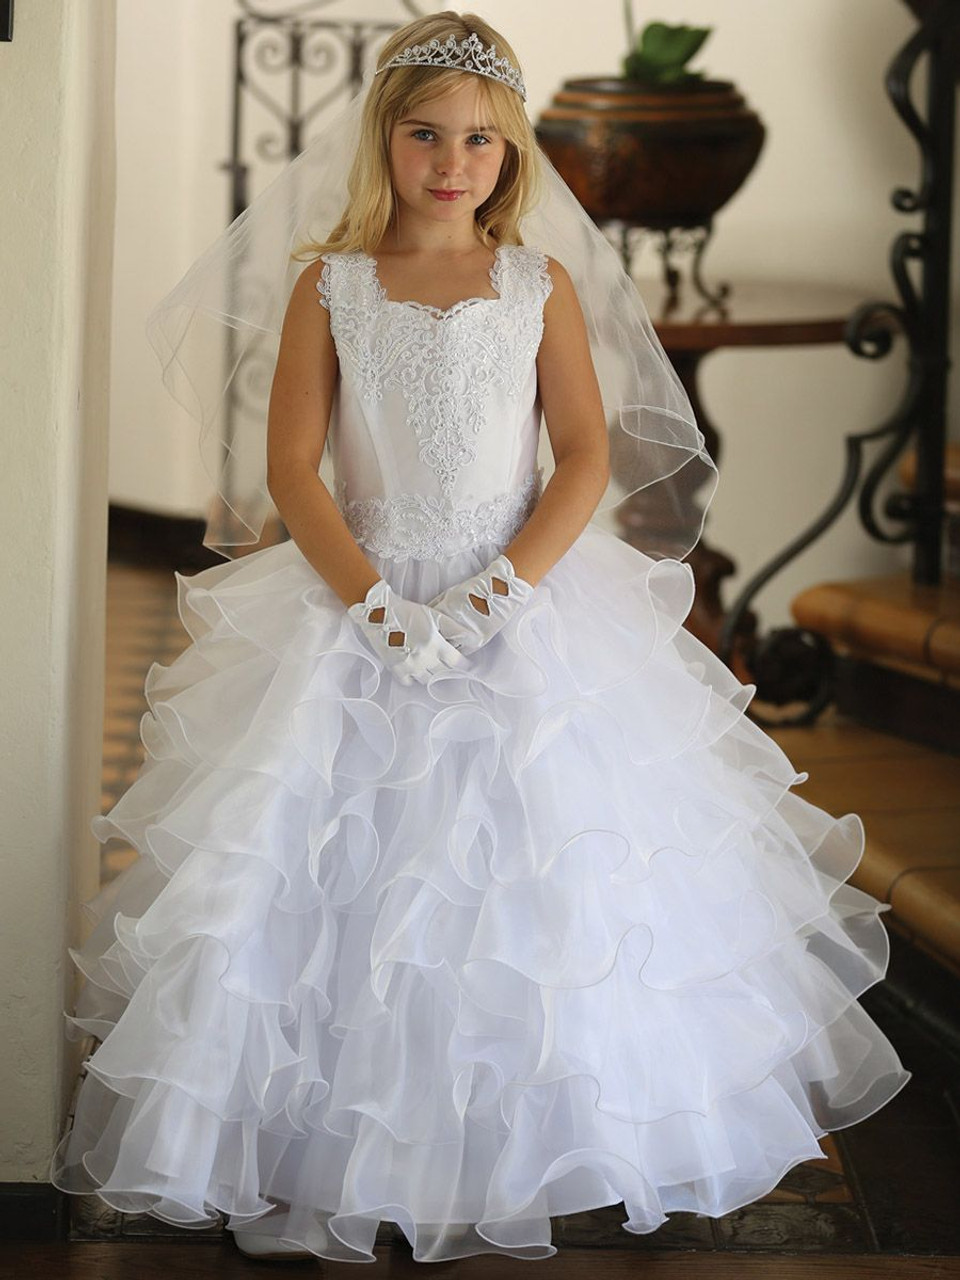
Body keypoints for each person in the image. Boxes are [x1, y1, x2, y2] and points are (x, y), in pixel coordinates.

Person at [51, 9, 912, 1266]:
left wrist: (499, 593)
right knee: (338, 875)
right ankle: (322, 1143)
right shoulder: (329, 285)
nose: (453, 164)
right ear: (382, 141)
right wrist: (379, 603)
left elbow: (587, 456)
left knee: (545, 874)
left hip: (525, 599)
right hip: (359, 605)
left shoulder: (538, 285)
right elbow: (295, 470)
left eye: (481, 142)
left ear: (512, 156)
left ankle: (555, 1133)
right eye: (424, 136)